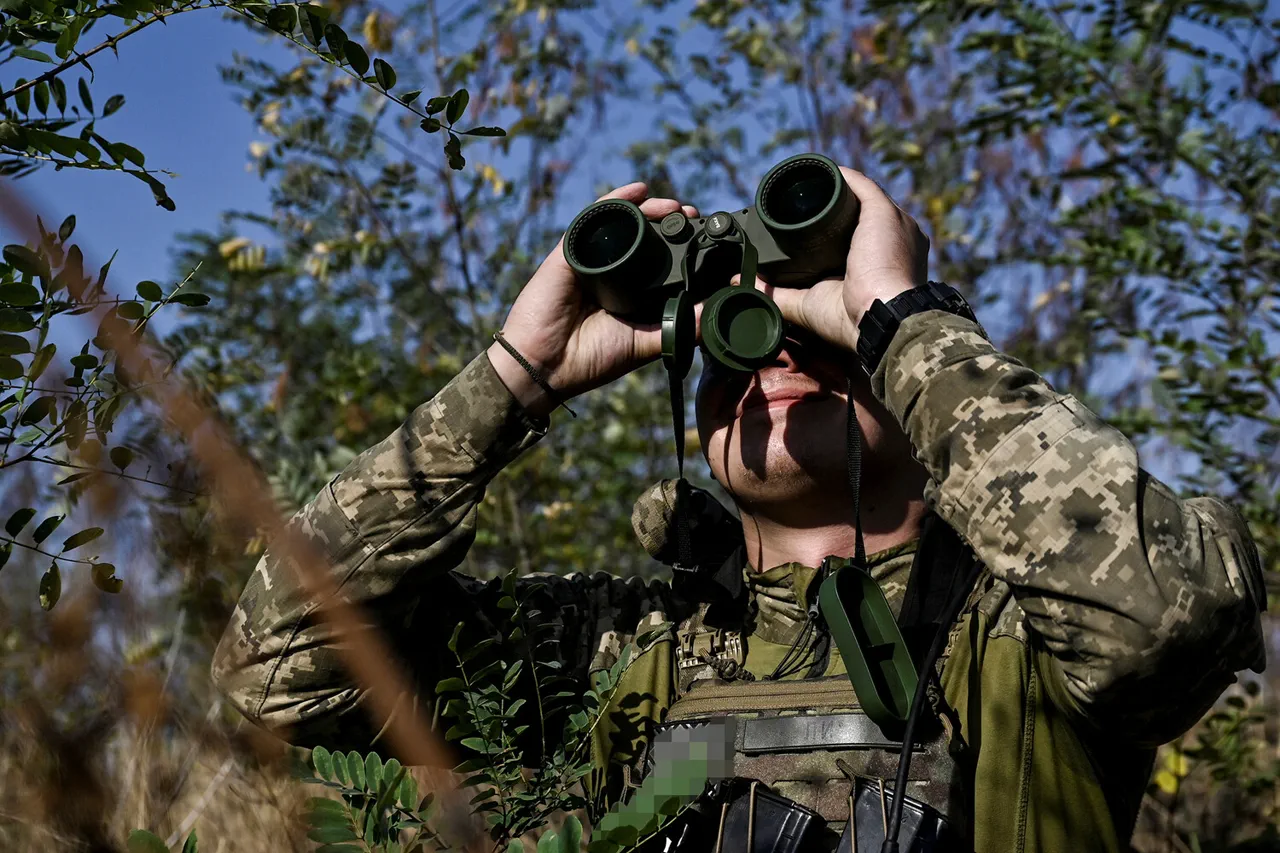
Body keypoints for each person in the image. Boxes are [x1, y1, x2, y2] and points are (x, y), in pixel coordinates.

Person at [211, 168, 1267, 853]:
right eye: (738, 344)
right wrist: (514, 376)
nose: (775, 357)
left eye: (824, 341)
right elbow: (274, 676)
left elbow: (1158, 614)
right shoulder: (614, 649)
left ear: (914, 386)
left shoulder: (1021, 632)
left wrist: (895, 318)